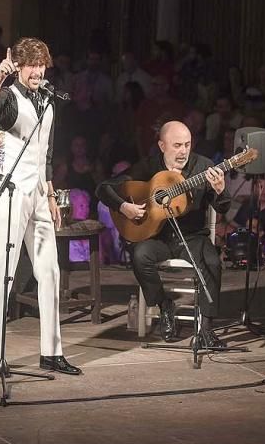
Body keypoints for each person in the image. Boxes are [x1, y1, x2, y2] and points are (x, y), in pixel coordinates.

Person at [0, 38, 81, 376]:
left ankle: (51, 352)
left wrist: (50, 195)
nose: (37, 71)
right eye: (31, 65)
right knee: (4, 269)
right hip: (11, 191)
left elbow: (46, 154)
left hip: (38, 192)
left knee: (49, 270)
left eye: (42, 65)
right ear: (19, 67)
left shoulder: (48, 100)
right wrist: (0, 75)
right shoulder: (9, 97)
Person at [97, 120, 229, 347]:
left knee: (212, 263)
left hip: (192, 236)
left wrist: (220, 191)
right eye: (177, 145)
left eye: (187, 145)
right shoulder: (148, 167)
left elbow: (223, 208)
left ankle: (206, 329)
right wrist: (123, 207)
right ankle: (164, 304)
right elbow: (104, 188)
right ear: (162, 146)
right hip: (157, 237)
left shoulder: (203, 167)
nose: (183, 151)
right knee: (140, 257)